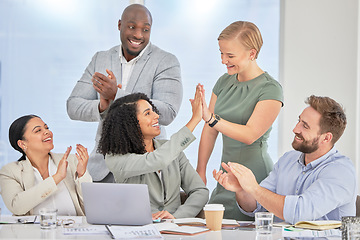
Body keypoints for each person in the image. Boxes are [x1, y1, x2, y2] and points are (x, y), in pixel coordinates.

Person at [66, 4, 182, 183]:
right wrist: (102, 106)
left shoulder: (166, 61)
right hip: (103, 167)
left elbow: (167, 112)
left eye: (145, 29)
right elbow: (73, 105)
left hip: (147, 166)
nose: (138, 35)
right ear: (119, 24)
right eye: (132, 27)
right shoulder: (101, 58)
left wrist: (116, 95)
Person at [213, 95, 357, 224]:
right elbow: (258, 206)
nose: (295, 129)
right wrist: (243, 190)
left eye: (305, 126)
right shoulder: (288, 160)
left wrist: (253, 188)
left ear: (326, 138)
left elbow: (299, 213)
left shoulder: (341, 171)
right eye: (299, 121)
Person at [196, 21, 283, 220]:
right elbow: (210, 129)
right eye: (221, 53)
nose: (223, 60)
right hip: (225, 175)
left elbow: (250, 135)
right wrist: (200, 170)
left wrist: (212, 118)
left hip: (255, 176)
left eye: (230, 55)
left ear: (252, 53)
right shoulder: (223, 82)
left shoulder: (270, 89)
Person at [98, 89, 208, 219]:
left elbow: (200, 191)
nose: (156, 116)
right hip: (138, 230)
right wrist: (195, 119)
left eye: (153, 111)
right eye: (148, 113)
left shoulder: (172, 150)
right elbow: (157, 160)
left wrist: (177, 217)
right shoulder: (115, 159)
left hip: (176, 231)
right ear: (130, 122)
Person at [0, 115, 92, 216]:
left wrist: (82, 174)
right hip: (33, 231)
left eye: (46, 128)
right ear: (22, 144)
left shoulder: (71, 160)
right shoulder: (10, 171)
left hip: (73, 228)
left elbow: (91, 205)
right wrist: (57, 177)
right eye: (38, 130)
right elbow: (16, 207)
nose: (47, 132)